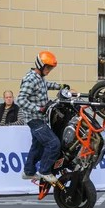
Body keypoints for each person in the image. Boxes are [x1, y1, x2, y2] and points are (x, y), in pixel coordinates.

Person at [16, 51, 69, 185]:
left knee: (37, 147)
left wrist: (60, 86)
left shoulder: (39, 77)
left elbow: (45, 86)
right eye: (47, 67)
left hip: (40, 119)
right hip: (35, 119)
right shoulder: (30, 79)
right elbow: (20, 100)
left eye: (51, 68)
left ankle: (28, 172)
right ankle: (45, 171)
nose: (49, 70)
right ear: (40, 64)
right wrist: (39, 109)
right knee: (53, 144)